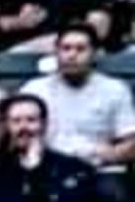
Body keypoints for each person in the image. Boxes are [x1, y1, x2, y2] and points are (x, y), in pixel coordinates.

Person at [19, 26, 135, 174]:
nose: (72, 55)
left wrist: (109, 155)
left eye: (80, 49)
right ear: (56, 52)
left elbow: (132, 142)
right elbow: (15, 134)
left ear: (94, 54)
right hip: (45, 168)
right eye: (66, 48)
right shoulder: (34, 89)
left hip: (97, 170)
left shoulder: (114, 90)